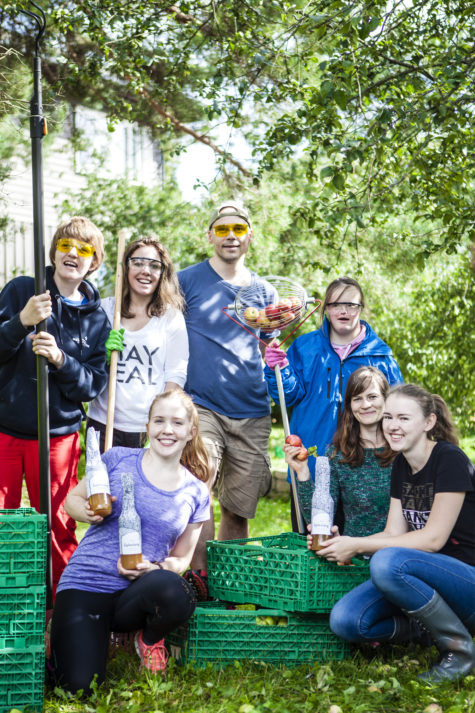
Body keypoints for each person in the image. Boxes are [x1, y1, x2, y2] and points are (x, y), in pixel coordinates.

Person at [49, 389, 210, 692]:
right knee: (78, 688)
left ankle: (147, 640)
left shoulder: (196, 492)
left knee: (177, 591)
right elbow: (72, 499)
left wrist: (156, 568)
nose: (167, 430)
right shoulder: (118, 459)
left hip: (137, 594)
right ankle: (72, 638)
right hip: (87, 583)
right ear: (147, 427)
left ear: (191, 431)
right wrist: (84, 511)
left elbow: (182, 558)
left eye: (177, 423)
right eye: (159, 421)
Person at [317, 384, 475, 683]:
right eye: (388, 417)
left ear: (428, 422)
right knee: (346, 621)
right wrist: (345, 542)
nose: (392, 426)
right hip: (427, 583)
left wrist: (359, 544)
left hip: (466, 582)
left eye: (404, 418)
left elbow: (433, 540)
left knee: (387, 563)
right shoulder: (402, 464)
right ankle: (424, 629)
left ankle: (460, 648)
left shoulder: (448, 459)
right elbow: (392, 532)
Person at [0, 216, 110, 594]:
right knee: (3, 519)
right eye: (66, 246)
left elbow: (93, 384)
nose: (73, 254)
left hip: (58, 436)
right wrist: (21, 322)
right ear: (54, 252)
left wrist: (62, 360)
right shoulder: (22, 291)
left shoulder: (97, 319)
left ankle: (61, 605)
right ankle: (9, 601)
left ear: (93, 261)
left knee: (59, 522)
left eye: (83, 249)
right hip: (7, 429)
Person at [178, 200, 275, 597]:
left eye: (238, 229)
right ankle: (199, 585)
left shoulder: (264, 290)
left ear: (250, 236)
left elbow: (269, 344)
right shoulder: (187, 280)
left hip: (251, 409)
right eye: (222, 229)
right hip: (202, 405)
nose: (230, 236)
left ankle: (229, 589)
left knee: (238, 506)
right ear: (210, 235)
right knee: (200, 491)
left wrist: (276, 354)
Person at [264, 276, 403, 530]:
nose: (344, 311)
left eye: (351, 305)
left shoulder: (380, 354)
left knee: (355, 544)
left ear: (361, 309)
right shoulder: (304, 347)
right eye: (336, 304)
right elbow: (288, 396)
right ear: (325, 308)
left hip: (362, 472)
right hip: (312, 461)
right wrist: (279, 369)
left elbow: (397, 410)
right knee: (312, 542)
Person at [87, 237, 188, 451]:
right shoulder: (105, 310)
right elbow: (85, 361)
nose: (146, 271)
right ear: (125, 267)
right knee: (102, 484)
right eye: (138, 262)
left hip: (147, 427)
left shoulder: (171, 317)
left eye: (154, 266)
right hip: (104, 423)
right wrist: (100, 354)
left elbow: (175, 374)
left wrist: (161, 422)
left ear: (163, 273)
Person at [285, 366, 395, 535]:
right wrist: (303, 472)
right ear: (350, 405)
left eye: (372, 396)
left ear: (386, 400)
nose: (365, 405)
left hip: (397, 552)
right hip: (352, 555)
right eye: (357, 399)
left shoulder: (400, 450)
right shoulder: (338, 454)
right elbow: (319, 521)